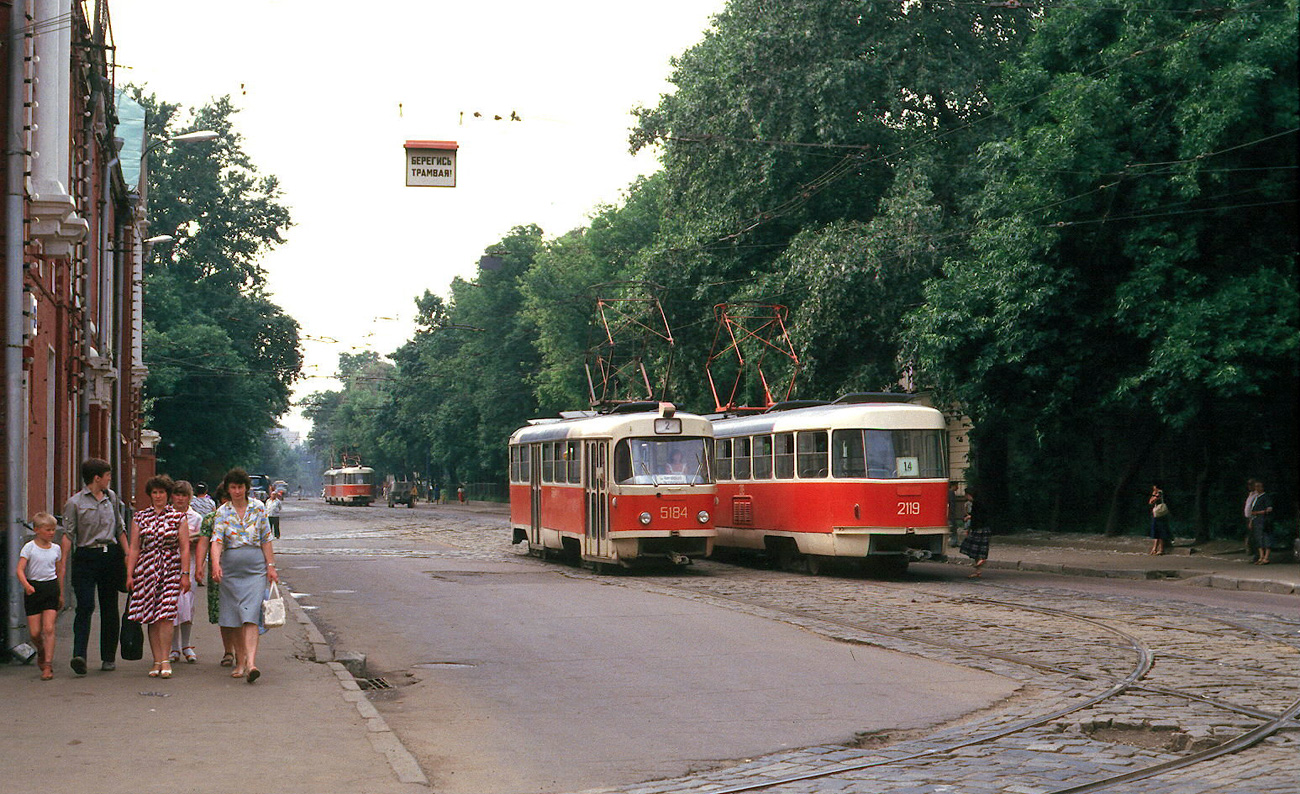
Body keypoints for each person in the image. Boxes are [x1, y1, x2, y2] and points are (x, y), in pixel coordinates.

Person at [59, 458, 128, 675]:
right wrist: (62, 563)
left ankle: (108, 657)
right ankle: (79, 655)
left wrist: (128, 555)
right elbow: (68, 535)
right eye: (107, 476)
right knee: (85, 605)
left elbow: (120, 528)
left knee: (109, 607)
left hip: (110, 556)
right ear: (97, 478)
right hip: (86, 557)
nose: (109, 479)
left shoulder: (112, 498)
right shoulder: (75, 503)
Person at [210, 468, 279, 683]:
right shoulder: (222, 512)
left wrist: (271, 566)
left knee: (250, 615)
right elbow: (217, 541)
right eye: (233, 487)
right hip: (231, 571)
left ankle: (251, 664)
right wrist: (215, 564)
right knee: (235, 618)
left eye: (240, 487)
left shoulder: (258, 508)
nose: (237, 491)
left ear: (246, 488)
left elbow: (266, 538)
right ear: (228, 489)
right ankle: (240, 662)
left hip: (255, 570)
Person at [126, 475, 191, 679]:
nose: (158, 496)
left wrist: (185, 574)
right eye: (154, 492)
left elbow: (185, 548)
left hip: (171, 569)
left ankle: (165, 659)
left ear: (168, 494)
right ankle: (156, 660)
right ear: (150, 495)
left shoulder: (178, 517)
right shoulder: (140, 517)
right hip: (146, 570)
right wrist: (129, 573)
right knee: (151, 616)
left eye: (161, 492)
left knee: (166, 614)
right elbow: (134, 547)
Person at [17, 512, 65, 680]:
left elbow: (59, 570)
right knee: (35, 633)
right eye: (48, 530)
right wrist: (27, 585)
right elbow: (20, 569)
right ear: (37, 530)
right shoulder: (29, 547)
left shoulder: (56, 549)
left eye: (53, 530)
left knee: (49, 628)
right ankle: (41, 649)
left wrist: (60, 592)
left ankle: (48, 665)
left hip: (50, 588)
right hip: (34, 589)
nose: (51, 533)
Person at [194, 485, 237, 667]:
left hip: (240, 571)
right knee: (223, 612)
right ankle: (228, 651)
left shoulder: (243, 518)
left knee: (242, 611)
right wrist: (199, 566)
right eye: (226, 499)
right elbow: (203, 543)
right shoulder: (211, 519)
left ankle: (243, 652)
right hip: (218, 571)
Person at [169, 481, 203, 664]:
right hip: (169, 566)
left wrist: (199, 567)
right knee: (172, 607)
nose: (180, 499)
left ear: (189, 497)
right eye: (177, 494)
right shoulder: (166, 515)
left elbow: (202, 543)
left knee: (187, 605)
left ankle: (187, 644)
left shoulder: (196, 518)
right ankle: (174, 647)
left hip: (188, 566)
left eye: (184, 495)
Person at [958, 488, 992, 578]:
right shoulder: (982, 502)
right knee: (979, 550)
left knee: (970, 546)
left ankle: (982, 560)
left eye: (966, 495)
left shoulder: (977, 504)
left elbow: (978, 517)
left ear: (970, 495)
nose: (966, 497)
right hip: (985, 528)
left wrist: (970, 518)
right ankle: (978, 571)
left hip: (979, 528)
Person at [1248, 479, 1274, 565]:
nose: (1257, 488)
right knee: (1258, 538)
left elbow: (1269, 509)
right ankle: (1261, 556)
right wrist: (1251, 520)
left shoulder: (1265, 497)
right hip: (1256, 520)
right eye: (1256, 486)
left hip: (1263, 520)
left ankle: (1266, 557)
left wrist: (1258, 512)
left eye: (1258, 486)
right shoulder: (1256, 497)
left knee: (1265, 538)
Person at [1147, 483, 1172, 555]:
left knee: (1160, 532)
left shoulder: (1159, 493)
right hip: (1160, 514)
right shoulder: (1161, 493)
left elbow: (1151, 502)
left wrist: (1153, 495)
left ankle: (1161, 549)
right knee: (1158, 532)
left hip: (1159, 515)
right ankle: (1155, 548)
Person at [947, 482, 969, 546]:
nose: (958, 487)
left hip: (951, 514)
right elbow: (952, 504)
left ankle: (954, 541)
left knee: (953, 528)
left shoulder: (950, 493)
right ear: (953, 486)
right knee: (953, 528)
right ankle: (954, 542)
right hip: (951, 514)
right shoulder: (951, 493)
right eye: (956, 485)